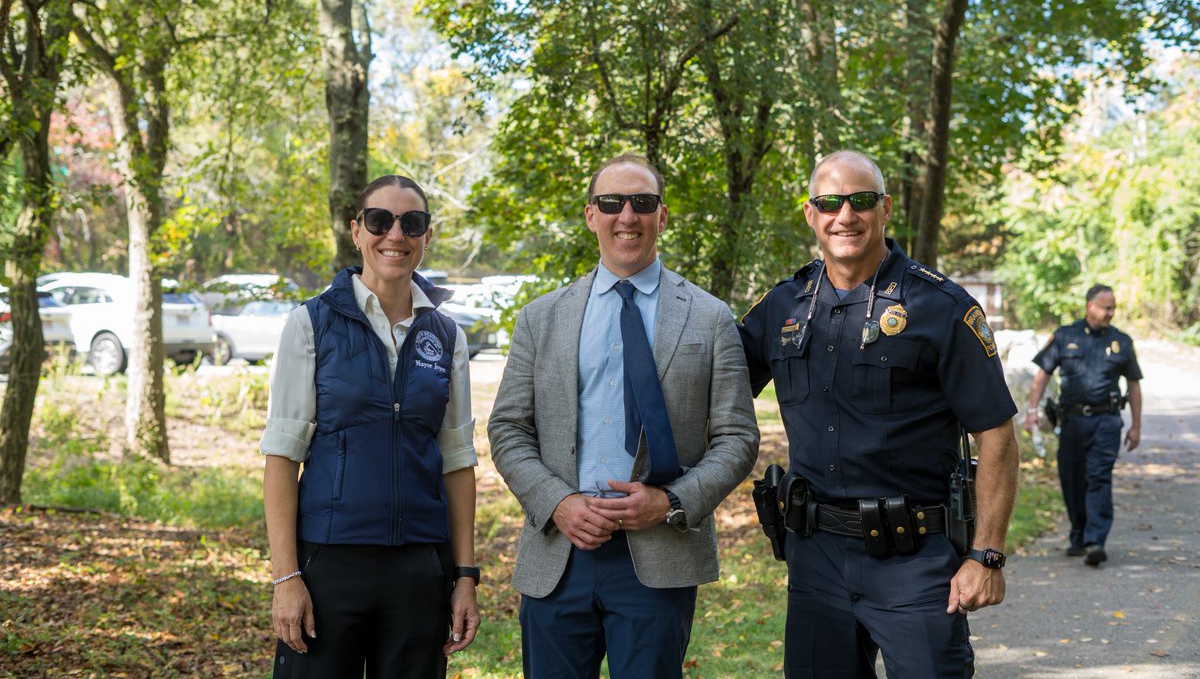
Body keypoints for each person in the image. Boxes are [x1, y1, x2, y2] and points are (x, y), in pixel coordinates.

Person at [739, 150, 1019, 678]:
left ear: (885, 208)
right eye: (829, 202)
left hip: (915, 561)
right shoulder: (783, 307)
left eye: (861, 200)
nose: (846, 215)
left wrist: (987, 556)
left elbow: (997, 435)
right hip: (815, 558)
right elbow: (713, 390)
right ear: (810, 214)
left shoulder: (941, 307)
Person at [487, 153, 760, 679]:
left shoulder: (710, 316)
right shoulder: (541, 318)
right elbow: (508, 428)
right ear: (591, 215)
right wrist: (559, 502)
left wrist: (672, 501)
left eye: (643, 202)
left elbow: (737, 438)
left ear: (663, 215)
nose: (627, 216)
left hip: (659, 555)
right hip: (558, 554)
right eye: (612, 203)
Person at [260, 175, 480, 678]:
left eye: (412, 223)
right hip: (329, 565)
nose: (395, 235)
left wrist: (465, 576)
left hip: (420, 569)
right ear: (357, 232)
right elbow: (281, 455)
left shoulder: (446, 336)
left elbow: (458, 461)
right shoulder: (311, 324)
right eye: (380, 221)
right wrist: (286, 577)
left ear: (427, 235)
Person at [1023, 284, 1142, 567]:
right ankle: (1079, 534)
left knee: (1099, 477)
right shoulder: (1065, 336)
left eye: (1113, 308)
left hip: (1106, 421)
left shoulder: (1121, 341)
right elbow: (1042, 375)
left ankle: (1095, 540)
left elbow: (1134, 385)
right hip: (1072, 421)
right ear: (1090, 306)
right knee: (1072, 478)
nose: (1110, 313)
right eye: (1105, 307)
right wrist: (1031, 411)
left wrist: (1136, 425)